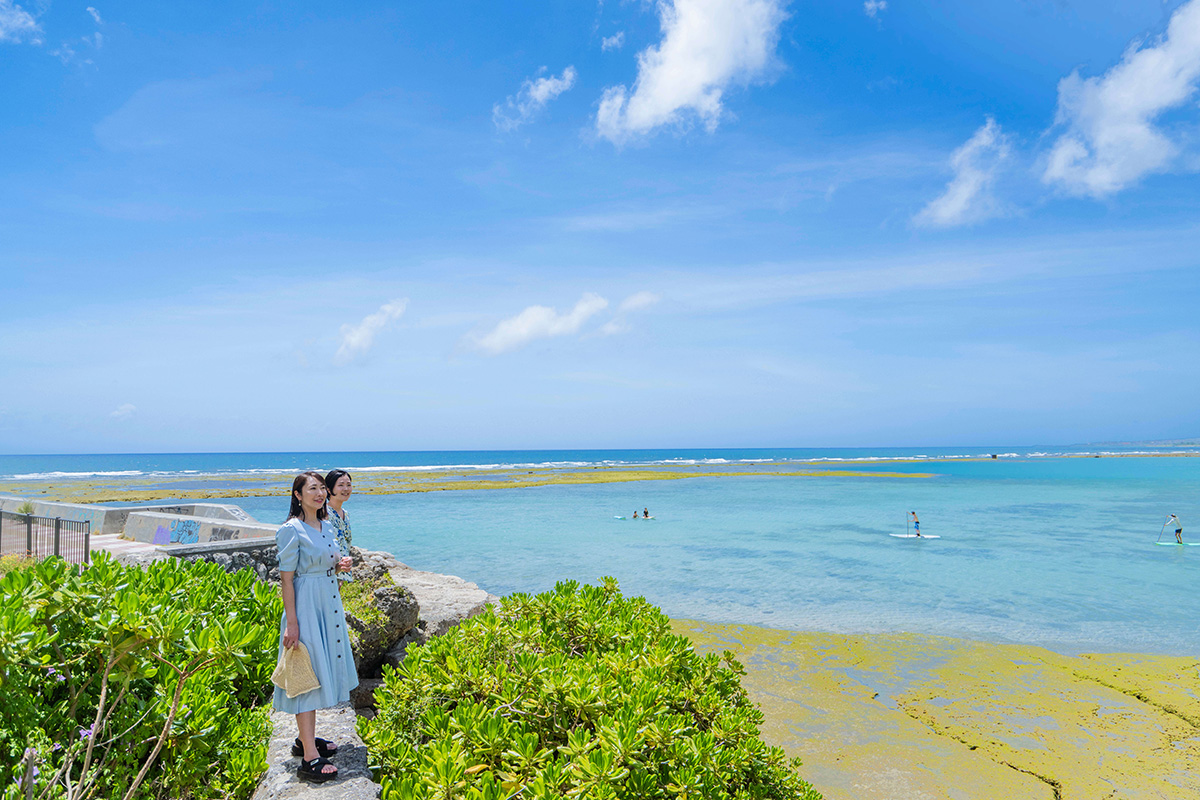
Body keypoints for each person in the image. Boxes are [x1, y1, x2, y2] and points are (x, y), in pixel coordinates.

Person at [274, 472, 358, 783]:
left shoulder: (327, 525)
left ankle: (305, 740)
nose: (320, 493)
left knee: (320, 671)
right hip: (307, 607)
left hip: (328, 603)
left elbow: (326, 561)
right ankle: (309, 758)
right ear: (297, 495)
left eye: (322, 488)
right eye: (312, 489)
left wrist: (338, 566)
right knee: (306, 674)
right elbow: (287, 579)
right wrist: (292, 623)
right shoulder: (290, 531)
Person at [324, 469, 354, 582]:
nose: (346, 489)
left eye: (348, 485)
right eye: (341, 485)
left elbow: (346, 544)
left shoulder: (345, 514)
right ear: (329, 489)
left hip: (342, 572)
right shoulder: (324, 513)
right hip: (327, 572)